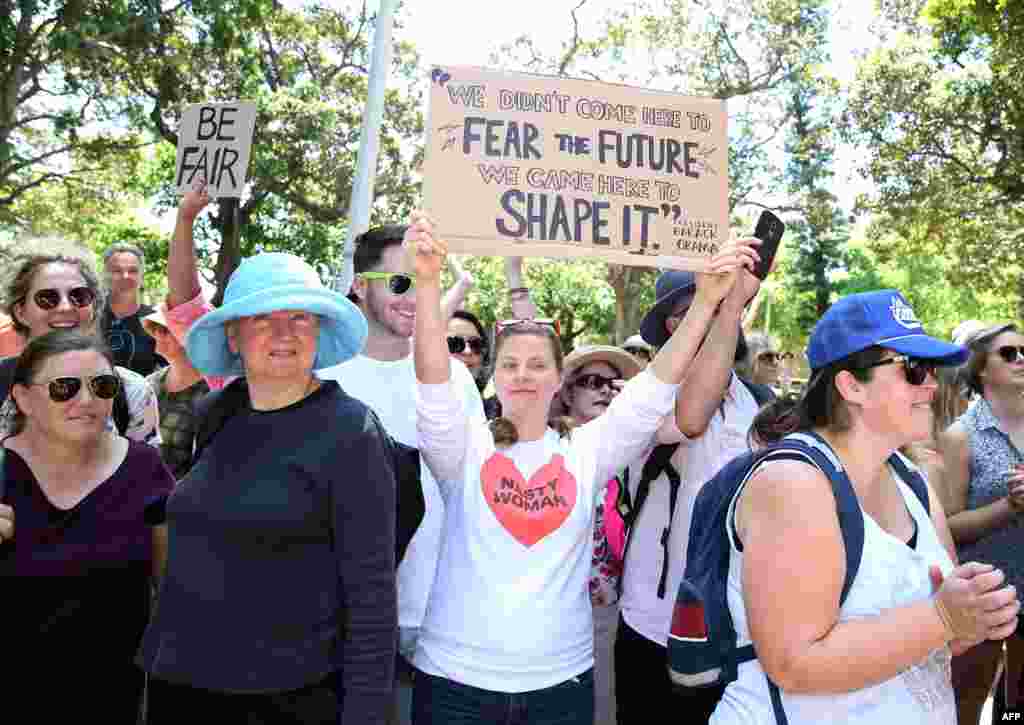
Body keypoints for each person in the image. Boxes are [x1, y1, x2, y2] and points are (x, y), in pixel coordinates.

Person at [407, 212, 758, 725]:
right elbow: (433, 383)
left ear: (558, 379)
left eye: (537, 364)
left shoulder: (586, 450)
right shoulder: (461, 448)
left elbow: (650, 391)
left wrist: (707, 301)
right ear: (492, 378)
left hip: (561, 688)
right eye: (509, 364)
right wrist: (428, 281)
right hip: (454, 684)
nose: (523, 375)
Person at [712, 290, 1018, 725]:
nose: (932, 384)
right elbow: (792, 662)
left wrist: (973, 616)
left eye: (931, 369)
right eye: (913, 369)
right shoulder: (795, 482)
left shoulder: (911, 480)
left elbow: (936, 639)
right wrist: (944, 616)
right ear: (850, 385)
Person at [137, 251, 397, 724]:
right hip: (181, 686)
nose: (284, 333)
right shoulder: (217, 411)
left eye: (299, 316)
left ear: (319, 330)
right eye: (262, 319)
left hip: (286, 698)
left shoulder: (351, 430)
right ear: (233, 336)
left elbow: (372, 597)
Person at [319, 224, 485, 725]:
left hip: (438, 618)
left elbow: (471, 490)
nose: (413, 297)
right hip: (340, 623)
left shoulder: (454, 378)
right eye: (398, 283)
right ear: (359, 284)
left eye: (422, 282)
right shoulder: (323, 377)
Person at [2, 331, 175, 723]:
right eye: (64, 387)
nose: (87, 400)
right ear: (23, 398)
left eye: (103, 385)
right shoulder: (2, 472)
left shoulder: (145, 469)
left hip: (113, 700)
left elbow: (170, 591)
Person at [615, 266, 763, 724]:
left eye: (725, 302)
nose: (721, 313)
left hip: (737, 626)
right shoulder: (643, 397)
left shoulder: (761, 403)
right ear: (674, 326)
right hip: (653, 623)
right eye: (702, 305)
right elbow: (691, 418)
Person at [940, 323, 1024, 725]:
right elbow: (949, 525)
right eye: (1008, 354)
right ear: (981, 369)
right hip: (985, 594)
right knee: (967, 706)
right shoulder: (960, 437)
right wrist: (1010, 506)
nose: (1021, 359)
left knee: (1016, 710)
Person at [554, 344, 642, 725]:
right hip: (552, 603)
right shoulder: (548, 444)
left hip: (609, 607)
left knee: (601, 706)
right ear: (568, 392)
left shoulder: (637, 449)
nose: (604, 390)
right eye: (592, 382)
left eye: (613, 383)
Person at [0, 241, 159, 445]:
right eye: (47, 298)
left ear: (93, 307)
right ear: (20, 311)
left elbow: (146, 473)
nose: (66, 307)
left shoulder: (131, 391)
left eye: (79, 296)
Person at [141, 307, 212, 479]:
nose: (157, 334)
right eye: (155, 329)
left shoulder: (213, 392)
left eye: (165, 329)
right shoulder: (147, 384)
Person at [100, 243, 162, 376]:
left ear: (142, 276)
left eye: (133, 271)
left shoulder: (156, 321)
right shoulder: (88, 316)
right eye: (117, 271)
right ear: (105, 275)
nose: (125, 276)